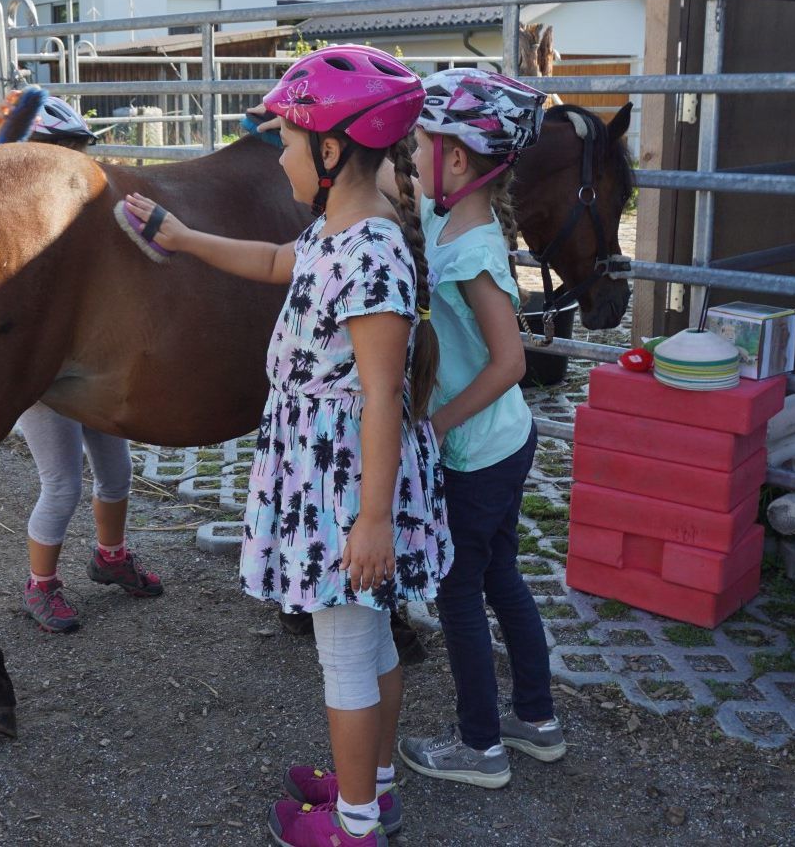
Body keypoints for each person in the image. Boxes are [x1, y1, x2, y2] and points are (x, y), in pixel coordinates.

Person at [124, 46, 450, 847]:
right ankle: (371, 784)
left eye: (290, 143)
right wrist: (185, 237)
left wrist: (372, 521)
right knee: (368, 638)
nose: (282, 157)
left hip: (346, 487)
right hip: (332, 472)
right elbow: (275, 261)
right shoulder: (334, 232)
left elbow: (382, 394)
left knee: (344, 650)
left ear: (332, 153)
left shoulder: (371, 257)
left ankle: (355, 826)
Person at [396, 68, 565, 789]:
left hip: (477, 449)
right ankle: (537, 720)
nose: (411, 158)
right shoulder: (451, 214)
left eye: (419, 146)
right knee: (501, 574)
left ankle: (480, 747)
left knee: (459, 590)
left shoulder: (470, 254)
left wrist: (435, 426)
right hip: (501, 440)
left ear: (457, 159)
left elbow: (510, 360)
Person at [0, 92, 164, 633]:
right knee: (62, 483)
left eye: (77, 154)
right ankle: (39, 586)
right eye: (61, 154)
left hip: (88, 365)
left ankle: (110, 556)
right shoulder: (9, 222)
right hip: (41, 378)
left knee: (118, 472)